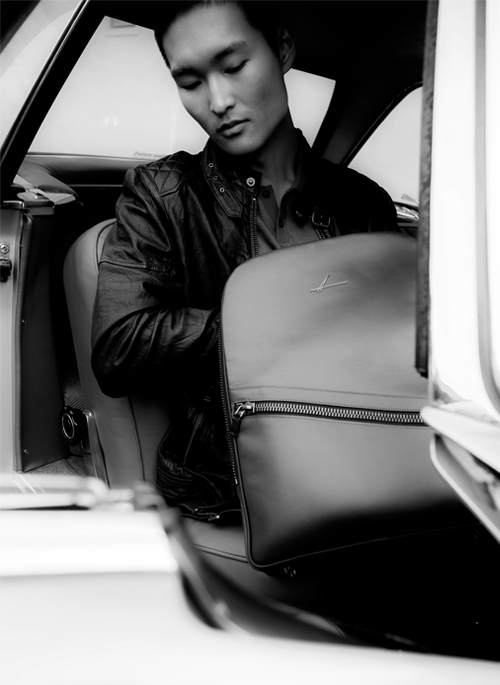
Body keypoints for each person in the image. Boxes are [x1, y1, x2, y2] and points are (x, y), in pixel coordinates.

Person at [91, 0, 398, 516]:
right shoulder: (163, 193)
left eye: (234, 66)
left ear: (282, 48)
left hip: (364, 465)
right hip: (226, 488)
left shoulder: (362, 203)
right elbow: (119, 348)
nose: (218, 101)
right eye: (190, 82)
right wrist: (275, 323)